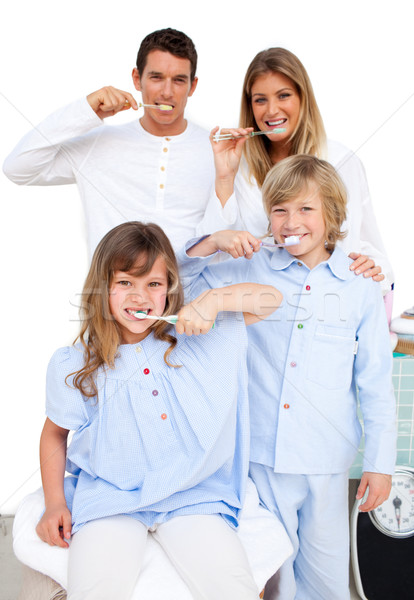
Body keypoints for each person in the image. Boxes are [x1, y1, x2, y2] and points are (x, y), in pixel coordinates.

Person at [177, 155, 396, 600]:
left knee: (327, 580)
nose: (291, 221)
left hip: (326, 460)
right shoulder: (252, 268)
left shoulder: (360, 288)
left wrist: (379, 462)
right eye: (280, 210)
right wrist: (213, 241)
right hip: (261, 458)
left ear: (333, 215)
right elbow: (181, 281)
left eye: (306, 209)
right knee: (273, 576)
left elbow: (375, 383)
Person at [35, 221, 282, 600]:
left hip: (193, 496)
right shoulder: (74, 363)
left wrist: (214, 300)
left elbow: (270, 299)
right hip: (111, 500)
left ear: (169, 288)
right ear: (103, 289)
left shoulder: (195, 335)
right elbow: (55, 433)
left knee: (232, 588)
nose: (140, 295)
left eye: (153, 283)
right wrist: (54, 503)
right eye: (125, 283)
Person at [198, 47, 394, 299]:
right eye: (260, 99)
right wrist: (225, 178)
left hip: (324, 306)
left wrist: (372, 270)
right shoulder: (236, 166)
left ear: (303, 98)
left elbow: (367, 250)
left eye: (283, 95)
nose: (271, 110)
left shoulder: (341, 162)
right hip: (256, 313)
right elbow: (211, 260)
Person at [3, 28, 215, 255]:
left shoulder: (217, 149)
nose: (167, 92)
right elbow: (17, 168)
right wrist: (86, 110)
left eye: (179, 80)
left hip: (193, 289)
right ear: (137, 79)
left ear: (192, 86)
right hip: (109, 289)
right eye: (156, 77)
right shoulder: (99, 143)